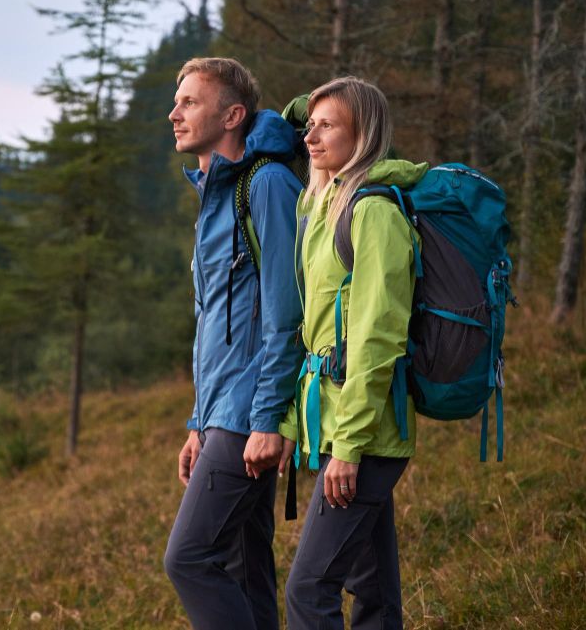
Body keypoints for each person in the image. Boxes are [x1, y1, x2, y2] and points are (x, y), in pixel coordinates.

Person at [276, 76, 423, 629]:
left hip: (365, 433)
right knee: (375, 591)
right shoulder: (324, 206)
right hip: (336, 424)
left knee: (308, 590)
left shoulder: (373, 213)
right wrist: (297, 427)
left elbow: (376, 338)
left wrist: (349, 447)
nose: (309, 137)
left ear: (363, 134)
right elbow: (317, 337)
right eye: (309, 126)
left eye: (327, 126)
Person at [162, 57, 304, 630]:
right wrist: (199, 421)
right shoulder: (216, 194)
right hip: (225, 414)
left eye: (190, 102)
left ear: (233, 115)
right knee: (243, 564)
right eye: (177, 102)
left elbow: (284, 314)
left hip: (250, 414)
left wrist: (267, 417)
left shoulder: (265, 185)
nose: (174, 113)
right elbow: (215, 323)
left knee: (189, 558)